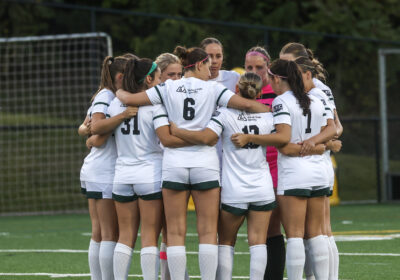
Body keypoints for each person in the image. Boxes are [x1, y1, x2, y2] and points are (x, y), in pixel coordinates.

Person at [115, 46, 269, 280]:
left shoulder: (168, 86)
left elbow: (131, 98)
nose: (212, 70)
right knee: (207, 232)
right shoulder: (214, 88)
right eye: (208, 65)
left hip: (174, 165)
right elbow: (246, 105)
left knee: (175, 232)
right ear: (199, 65)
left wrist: (120, 94)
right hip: (205, 164)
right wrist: (267, 110)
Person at [231, 59, 336, 280]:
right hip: (318, 173)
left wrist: (251, 137)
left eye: (270, 77)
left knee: (295, 236)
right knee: (317, 234)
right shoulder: (317, 96)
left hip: (295, 174)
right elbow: (332, 128)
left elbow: (285, 144)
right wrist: (315, 145)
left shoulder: (281, 101)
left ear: (277, 79)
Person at [168, 72, 280, 280]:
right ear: (260, 92)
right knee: (258, 241)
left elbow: (205, 138)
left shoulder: (224, 114)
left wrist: (177, 130)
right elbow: (282, 139)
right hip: (262, 187)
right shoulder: (268, 115)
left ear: (236, 90)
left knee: (226, 242)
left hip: (234, 189)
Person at [280, 43, 343, 280]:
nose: (284, 68)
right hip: (317, 162)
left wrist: (318, 143)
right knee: (317, 232)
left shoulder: (314, 89)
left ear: (302, 64)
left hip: (312, 162)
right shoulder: (309, 89)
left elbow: (336, 128)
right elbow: (336, 129)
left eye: (289, 63)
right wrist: (326, 143)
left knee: (317, 231)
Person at [79, 55, 137, 280]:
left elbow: (84, 127)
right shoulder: (108, 96)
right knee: (109, 233)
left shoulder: (104, 94)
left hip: (96, 168)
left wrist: (89, 134)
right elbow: (97, 132)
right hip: (104, 170)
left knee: (100, 233)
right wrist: (94, 135)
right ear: (121, 77)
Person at [244, 45, 285, 280]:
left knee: (272, 229)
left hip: (274, 166)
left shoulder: (278, 93)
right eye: (249, 67)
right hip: (246, 169)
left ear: (269, 67)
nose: (254, 71)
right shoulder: (239, 93)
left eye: (259, 67)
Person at [154, 52, 189, 280]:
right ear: (159, 76)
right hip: (156, 167)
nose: (176, 79)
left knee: (172, 229)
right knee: (159, 229)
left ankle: (173, 275)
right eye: (170, 75)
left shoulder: (185, 97)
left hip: (178, 165)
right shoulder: (155, 99)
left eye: (179, 74)